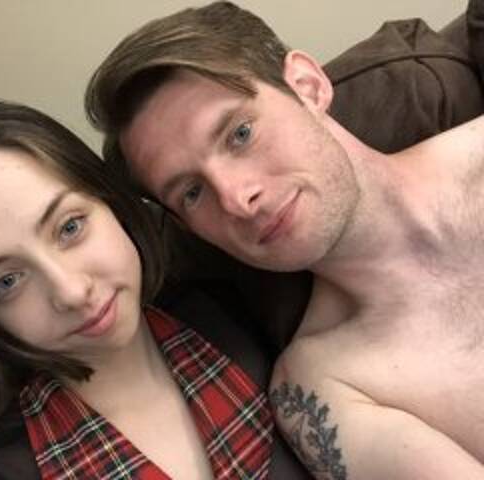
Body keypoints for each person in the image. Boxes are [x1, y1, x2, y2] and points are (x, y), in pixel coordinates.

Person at [84, 1, 484, 479]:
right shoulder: (327, 387)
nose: (236, 199)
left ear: (307, 86)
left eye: (240, 134)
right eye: (192, 192)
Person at [0, 100, 273, 479]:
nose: (71, 292)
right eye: (7, 282)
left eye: (70, 227)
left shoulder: (241, 298)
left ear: (110, 202)